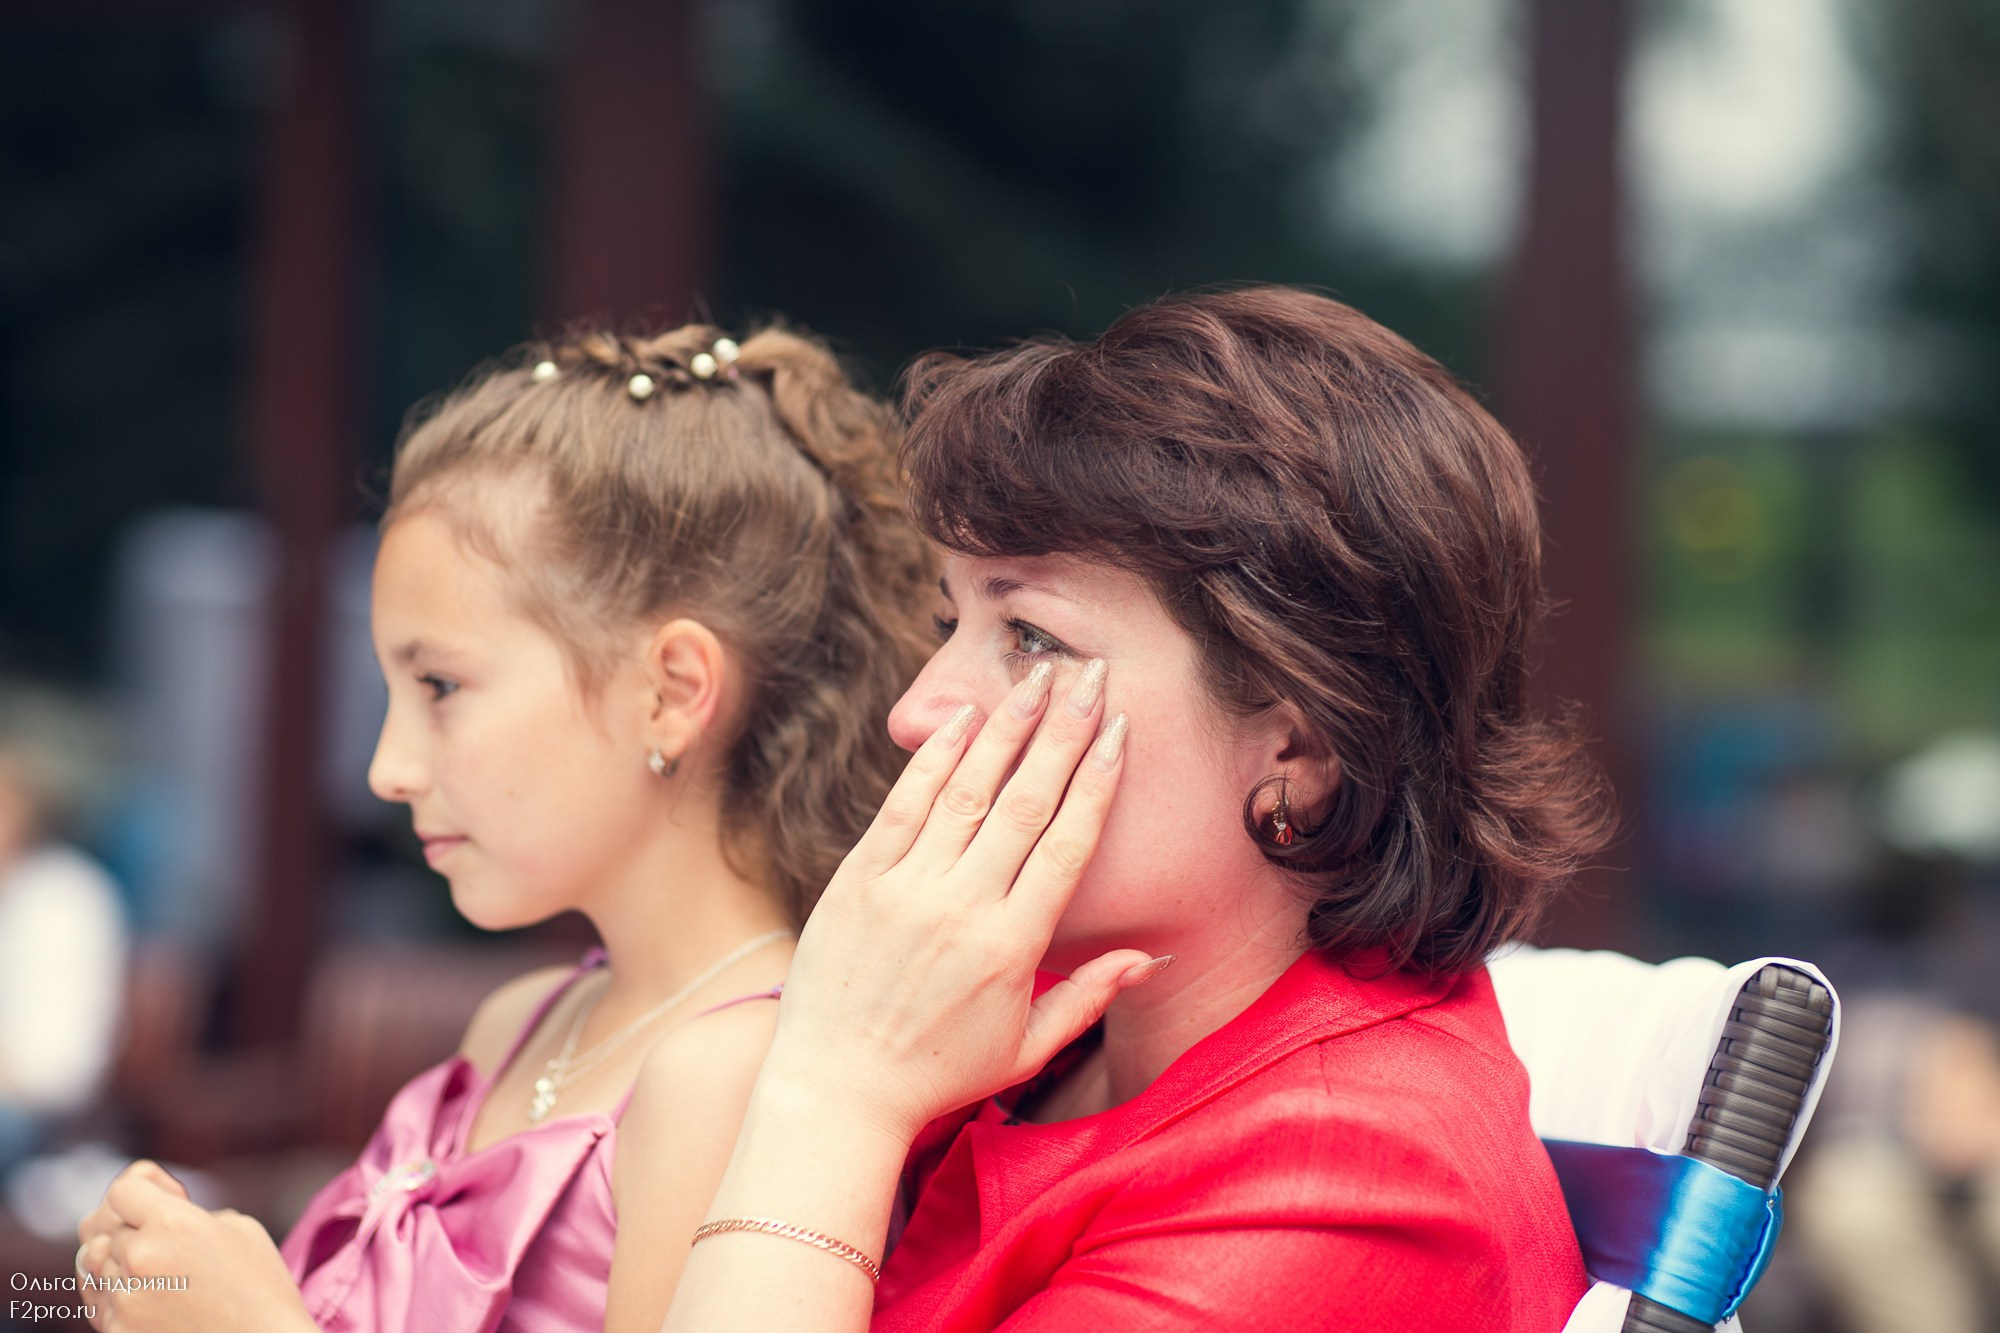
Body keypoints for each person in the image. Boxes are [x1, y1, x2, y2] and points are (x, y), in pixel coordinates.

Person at [663, 287, 1617, 1332]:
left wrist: (829, 1095)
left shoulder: (1348, 1189)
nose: (913, 710)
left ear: (1299, 750)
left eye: (1030, 636)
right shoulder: (1035, 1019)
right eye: (950, 617)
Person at [74, 323, 935, 1333]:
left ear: (671, 691)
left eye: (440, 685)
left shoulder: (739, 1071)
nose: (386, 770)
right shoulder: (519, 1019)